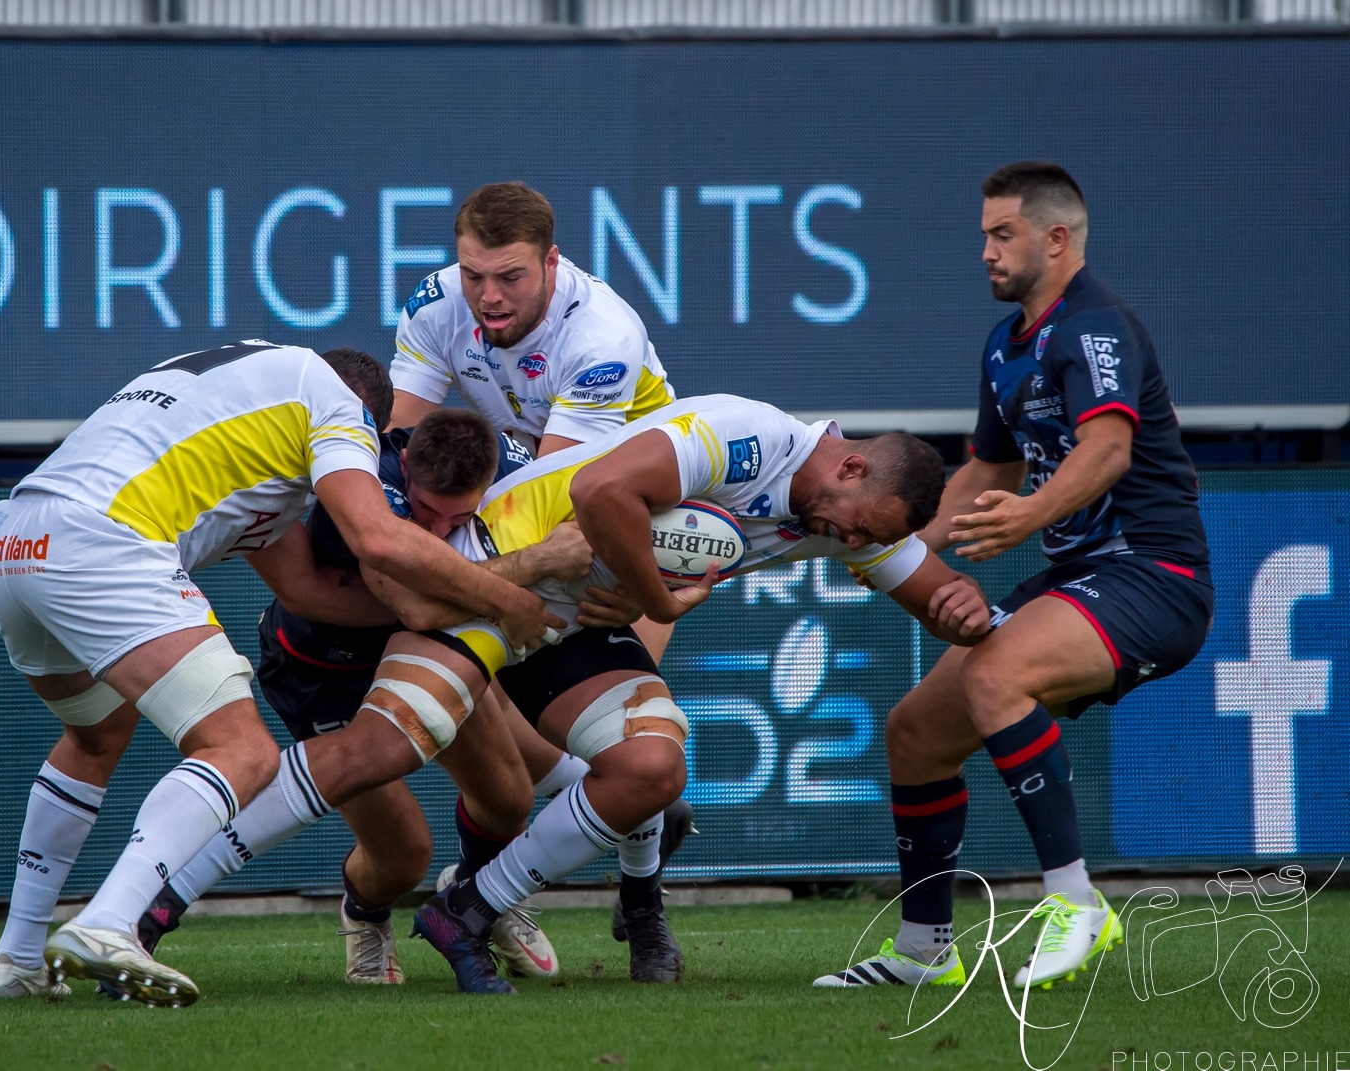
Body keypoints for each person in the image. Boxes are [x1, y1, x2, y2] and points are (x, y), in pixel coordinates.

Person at [157, 393, 986, 996]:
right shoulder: (750, 438)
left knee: (653, 766)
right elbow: (598, 494)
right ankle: (163, 894)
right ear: (847, 464)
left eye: (860, 540)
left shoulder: (837, 511)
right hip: (501, 565)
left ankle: (467, 911)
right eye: (852, 524)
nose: (847, 543)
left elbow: (921, 581)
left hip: (576, 617)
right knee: (386, 745)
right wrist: (654, 599)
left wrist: (973, 611)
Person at [0, 341, 554, 1006]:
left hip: (14, 542)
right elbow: (380, 539)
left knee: (94, 739)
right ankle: (109, 920)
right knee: (240, 749)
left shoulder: (254, 433)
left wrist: (433, 604)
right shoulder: (335, 401)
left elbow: (310, 591)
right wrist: (511, 598)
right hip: (104, 541)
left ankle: (16, 958)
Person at [813, 162, 1213, 991]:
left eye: (1003, 235)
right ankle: (924, 948)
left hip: (1154, 574)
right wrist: (896, 549)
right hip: (1082, 577)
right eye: (984, 236)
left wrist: (1028, 517)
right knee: (914, 732)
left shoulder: (1094, 325)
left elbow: (1107, 448)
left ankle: (1077, 905)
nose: (987, 252)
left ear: (1056, 238)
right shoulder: (1005, 344)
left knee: (996, 671)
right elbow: (983, 471)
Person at [118, 405, 590, 987]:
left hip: (426, 648)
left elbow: (591, 509)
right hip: (325, 667)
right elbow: (419, 604)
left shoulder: (516, 461)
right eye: (426, 512)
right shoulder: (364, 483)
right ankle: (363, 914)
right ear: (408, 463)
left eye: (458, 517)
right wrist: (540, 562)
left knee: (508, 799)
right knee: (401, 855)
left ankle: (475, 899)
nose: (439, 531)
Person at [391, 180, 692, 934]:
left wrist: (448, 577)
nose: (487, 297)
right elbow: (403, 449)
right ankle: (587, 841)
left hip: (628, 527)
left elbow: (556, 501)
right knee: (565, 743)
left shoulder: (601, 340)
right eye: (472, 274)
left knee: (630, 739)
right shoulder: (434, 302)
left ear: (552, 263)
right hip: (528, 509)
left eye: (510, 277)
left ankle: (640, 899)